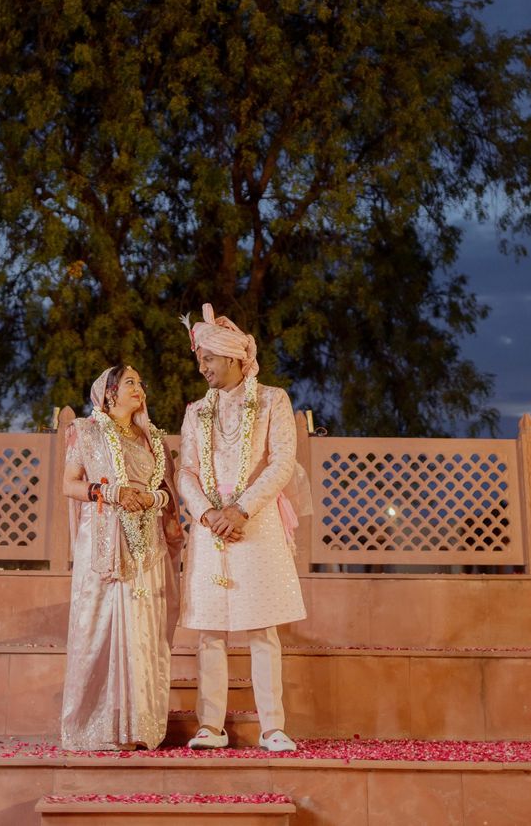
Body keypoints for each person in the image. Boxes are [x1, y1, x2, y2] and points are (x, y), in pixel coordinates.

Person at [177, 303, 307, 753]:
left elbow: (282, 462)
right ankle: (210, 726)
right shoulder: (196, 412)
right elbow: (186, 471)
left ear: (234, 358)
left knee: (261, 629)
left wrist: (241, 510)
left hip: (256, 525)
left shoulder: (273, 400)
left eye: (209, 359)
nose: (203, 367)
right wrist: (208, 514)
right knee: (210, 631)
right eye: (200, 360)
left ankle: (273, 726)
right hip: (210, 529)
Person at [61, 364, 183, 751]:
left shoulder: (153, 440)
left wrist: (153, 498)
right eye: (130, 382)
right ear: (109, 392)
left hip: (148, 545)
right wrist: (109, 493)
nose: (139, 388)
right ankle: (97, 727)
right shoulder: (86, 431)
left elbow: (167, 494)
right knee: (102, 626)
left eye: (141, 382)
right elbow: (69, 485)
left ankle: (139, 727)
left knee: (144, 630)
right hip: (103, 542)